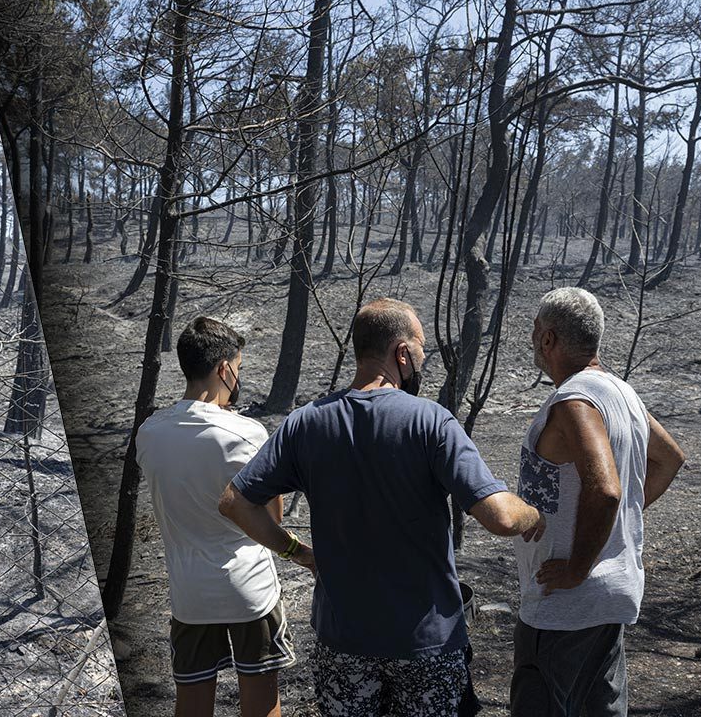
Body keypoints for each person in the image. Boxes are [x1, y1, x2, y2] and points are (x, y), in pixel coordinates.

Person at [219, 297, 544, 717]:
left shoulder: (307, 423)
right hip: (426, 644)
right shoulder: (432, 422)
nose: (424, 360)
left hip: (344, 642)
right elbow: (500, 516)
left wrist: (299, 554)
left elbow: (235, 503)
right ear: (402, 353)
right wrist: (533, 513)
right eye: (421, 350)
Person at [510, 287, 685, 717]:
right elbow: (668, 460)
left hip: (564, 606)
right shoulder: (623, 393)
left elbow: (606, 491)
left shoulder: (575, 401)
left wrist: (577, 567)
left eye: (536, 331)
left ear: (548, 339)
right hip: (609, 598)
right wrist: (616, 522)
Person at [136, 316, 298, 717]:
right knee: (261, 704)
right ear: (224, 368)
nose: (237, 378)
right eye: (238, 369)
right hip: (249, 591)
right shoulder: (247, 434)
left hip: (189, 595)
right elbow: (270, 520)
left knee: (191, 704)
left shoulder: (149, 433)